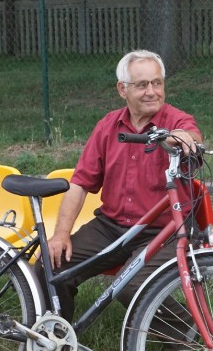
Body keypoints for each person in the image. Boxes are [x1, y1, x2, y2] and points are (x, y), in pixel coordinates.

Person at [47, 49, 202, 327]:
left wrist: (183, 139)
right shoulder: (108, 126)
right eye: (142, 85)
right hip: (112, 227)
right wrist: (60, 235)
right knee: (49, 267)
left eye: (157, 83)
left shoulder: (176, 121)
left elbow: (190, 135)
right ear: (122, 89)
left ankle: (184, 333)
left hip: (164, 230)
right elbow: (80, 184)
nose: (152, 91)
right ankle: (58, 344)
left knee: (131, 287)